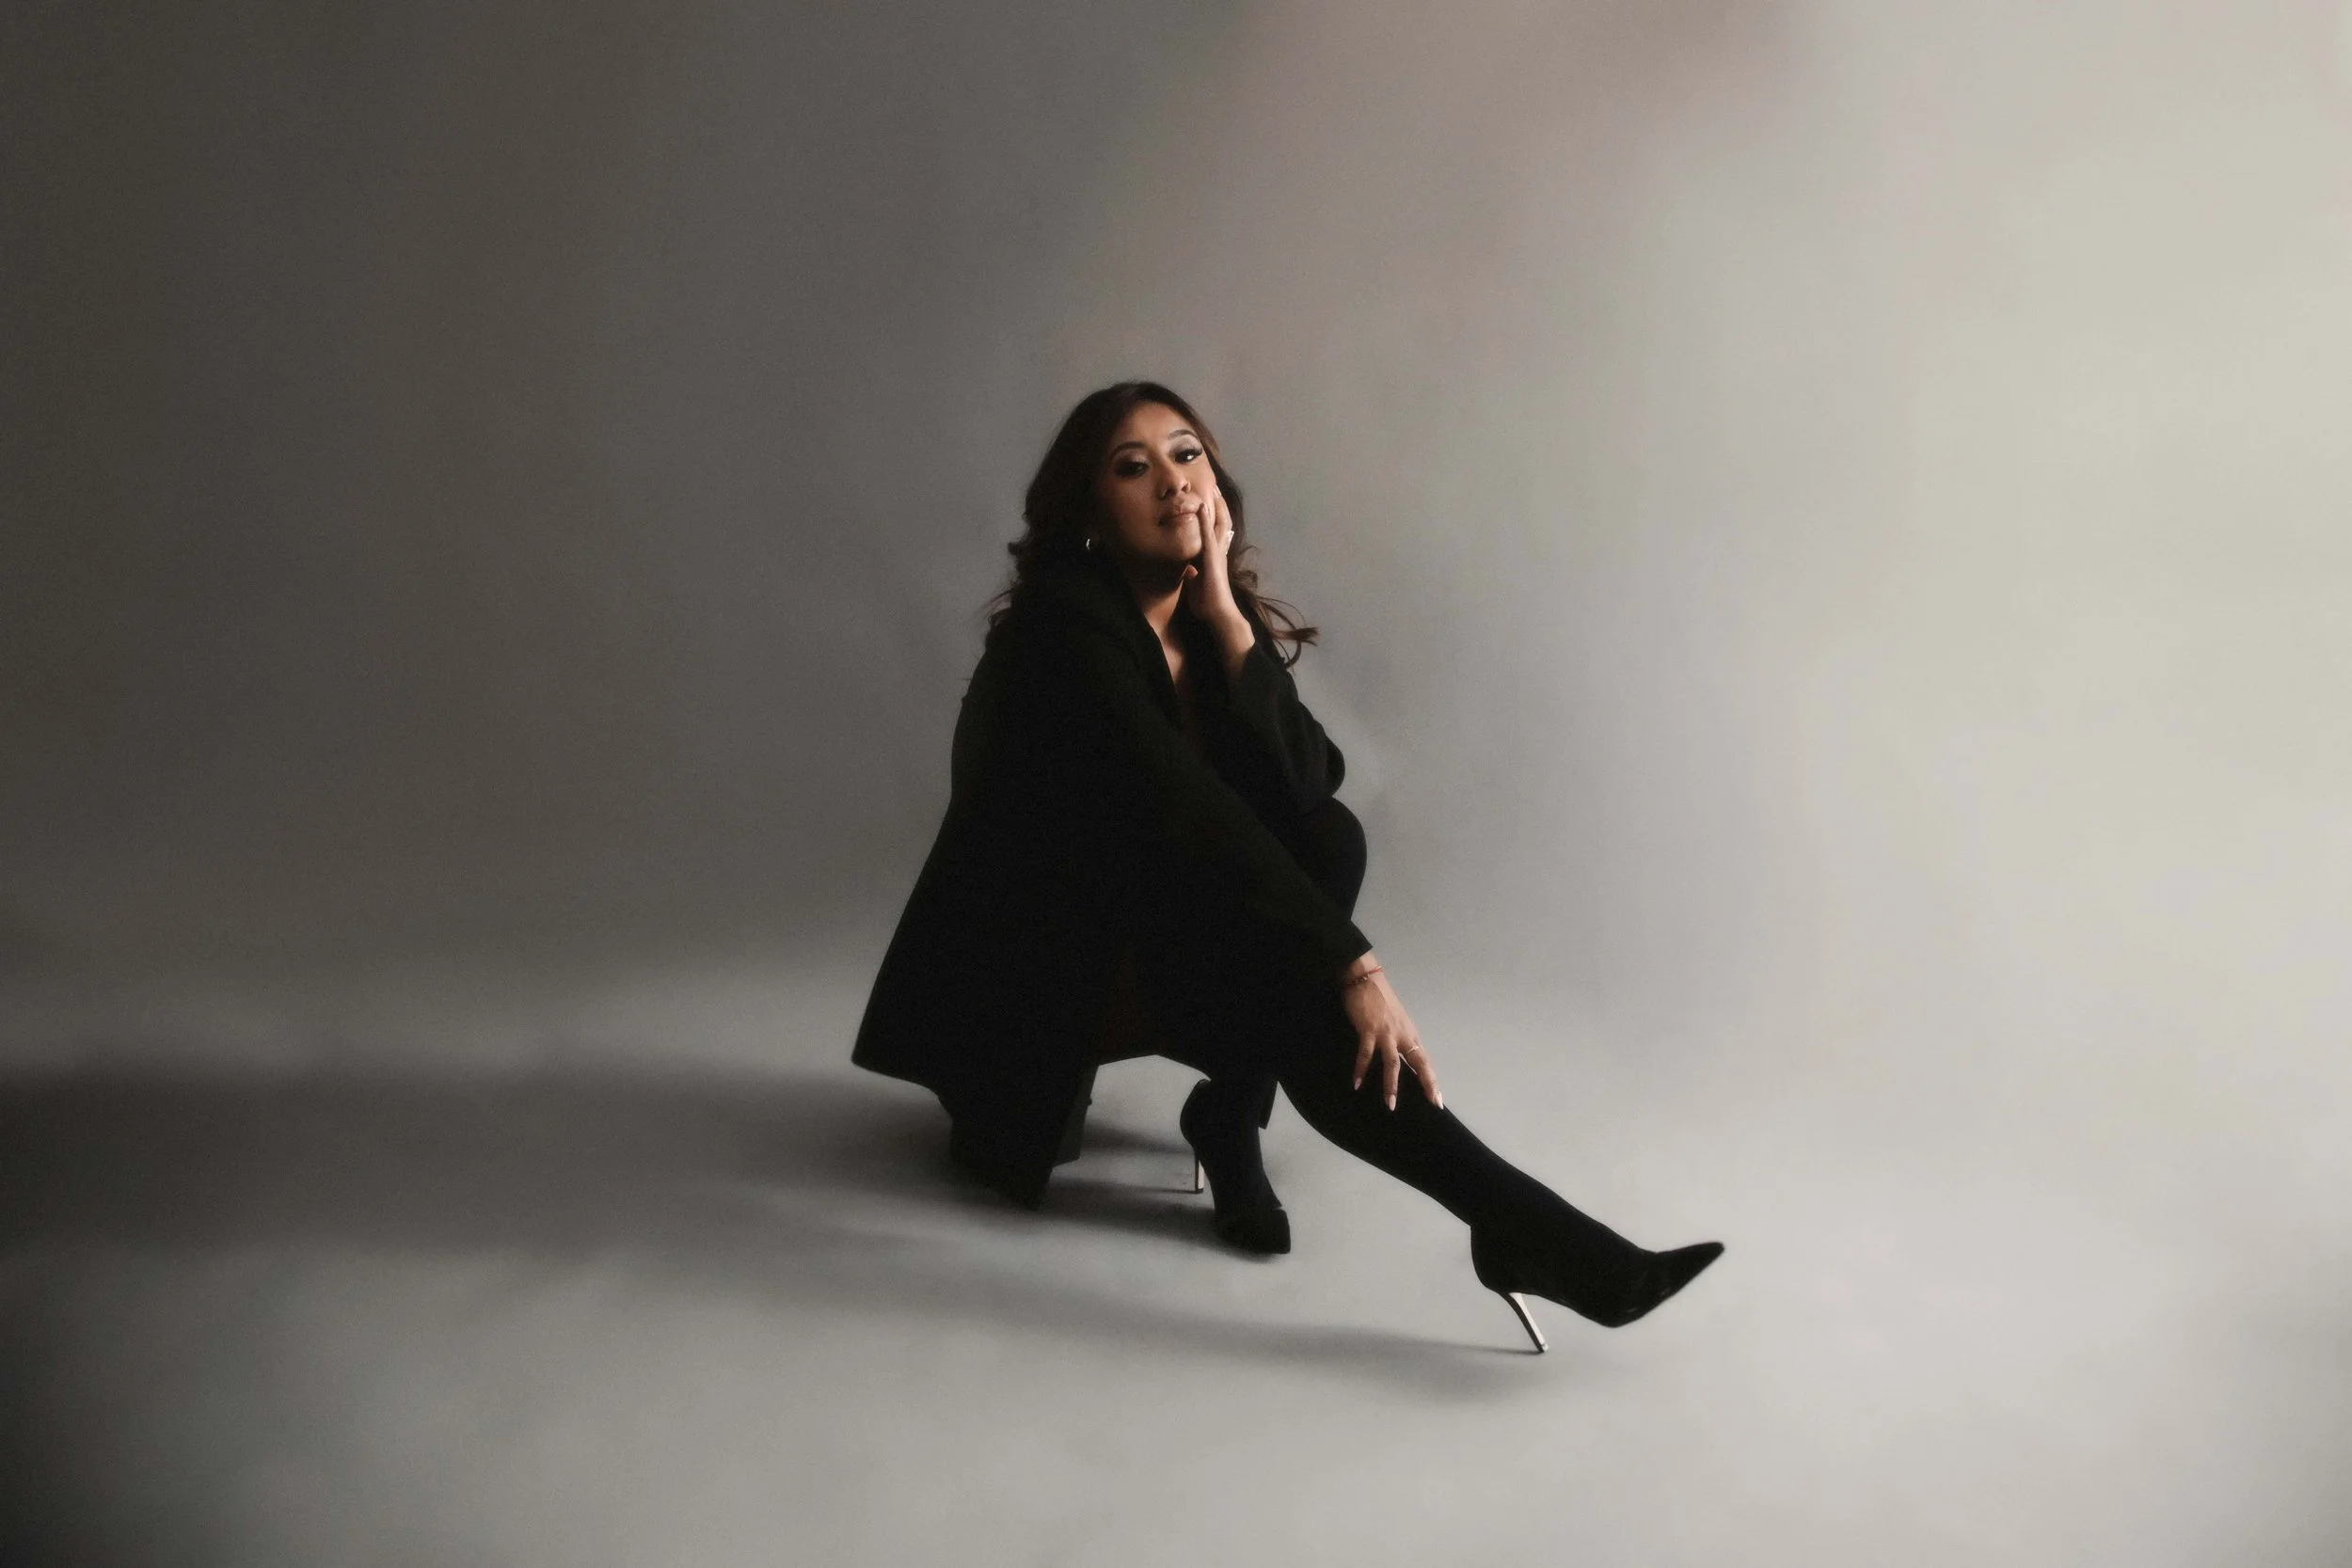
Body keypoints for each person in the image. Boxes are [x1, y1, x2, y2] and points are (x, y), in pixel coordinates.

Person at [851, 380, 1721, 1348]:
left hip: (1139, 936)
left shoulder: (1196, 615)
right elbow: (1187, 811)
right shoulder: (1065, 635)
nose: (1173, 482)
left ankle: (1288, 1137)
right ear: (1090, 511)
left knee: (1327, 840)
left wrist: (1226, 617)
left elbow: (1311, 779)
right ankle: (1485, 1216)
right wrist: (1355, 967)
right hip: (1036, 977)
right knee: (1298, 989)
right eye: (1132, 467)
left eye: (1186, 454)